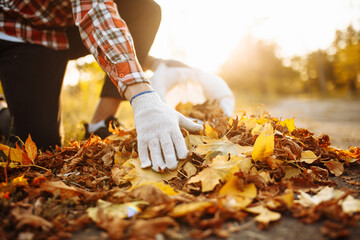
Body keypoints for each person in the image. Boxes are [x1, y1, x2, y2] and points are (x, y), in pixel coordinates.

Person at [0, 0, 233, 171]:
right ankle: (2, 111)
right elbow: (96, 13)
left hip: (66, 18)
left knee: (145, 9)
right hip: (23, 31)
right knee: (43, 149)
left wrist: (145, 65)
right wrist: (144, 98)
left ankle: (100, 123)